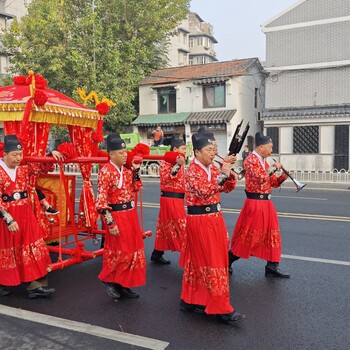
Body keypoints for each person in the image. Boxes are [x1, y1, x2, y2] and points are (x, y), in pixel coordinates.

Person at [180, 132, 246, 324]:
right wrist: (223, 173)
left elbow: (227, 187)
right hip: (201, 220)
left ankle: (189, 300)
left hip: (214, 218)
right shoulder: (192, 170)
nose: (213, 153)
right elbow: (204, 191)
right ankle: (221, 308)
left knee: (199, 262)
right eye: (209, 150)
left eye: (214, 149)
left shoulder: (211, 168)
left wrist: (229, 172)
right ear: (197, 152)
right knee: (215, 262)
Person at [0, 134, 56, 299]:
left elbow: (42, 166)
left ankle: (36, 286)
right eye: (15, 155)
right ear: (4, 155)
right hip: (7, 217)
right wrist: (8, 218)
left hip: (26, 213)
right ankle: (3, 282)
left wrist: (52, 154)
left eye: (20, 155)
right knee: (7, 249)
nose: (18, 158)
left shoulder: (24, 169)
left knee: (33, 246)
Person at [228, 132, 290, 277]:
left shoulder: (264, 161)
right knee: (249, 235)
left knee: (272, 234)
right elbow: (261, 177)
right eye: (269, 147)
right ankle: (229, 259)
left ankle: (272, 265)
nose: (271, 150)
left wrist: (283, 177)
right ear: (261, 147)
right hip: (255, 203)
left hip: (267, 203)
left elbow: (272, 182)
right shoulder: (250, 160)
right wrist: (274, 167)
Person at [96, 133, 146, 299]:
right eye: (121, 152)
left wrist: (136, 171)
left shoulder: (126, 170)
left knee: (132, 249)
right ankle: (109, 279)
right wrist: (110, 223)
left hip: (130, 214)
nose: (125, 155)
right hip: (117, 215)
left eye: (126, 152)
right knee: (119, 250)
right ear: (111, 154)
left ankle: (124, 282)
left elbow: (136, 187)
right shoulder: (105, 172)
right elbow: (101, 202)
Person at [151, 135, 187, 265]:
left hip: (177, 198)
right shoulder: (165, 163)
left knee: (164, 226)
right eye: (183, 149)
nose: (185, 151)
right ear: (175, 149)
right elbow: (167, 178)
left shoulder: (180, 163)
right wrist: (177, 165)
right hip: (170, 198)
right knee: (182, 226)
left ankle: (157, 253)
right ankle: (189, 255)